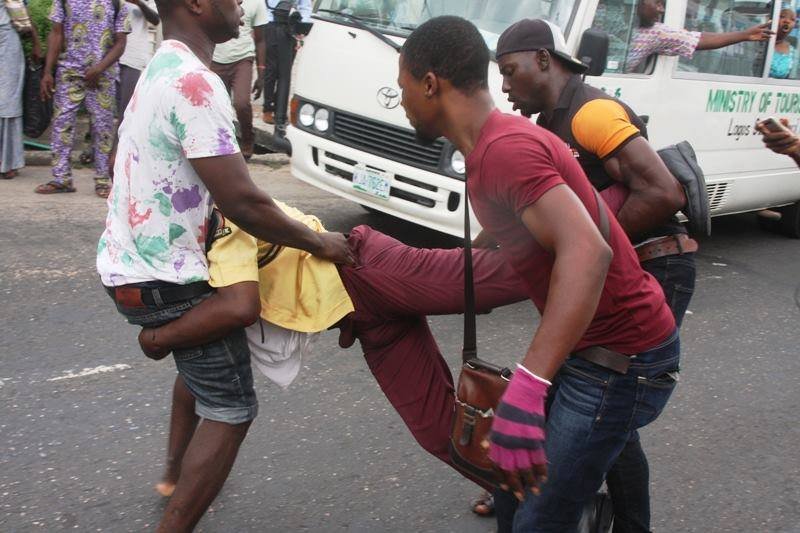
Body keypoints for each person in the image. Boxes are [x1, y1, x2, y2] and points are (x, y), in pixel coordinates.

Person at [399, 16, 680, 532]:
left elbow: (587, 253)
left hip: (620, 357)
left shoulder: (505, 150)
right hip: (590, 348)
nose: (403, 102)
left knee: (539, 517)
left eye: (403, 89)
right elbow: (521, 232)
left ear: (430, 84)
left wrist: (527, 388)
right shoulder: (497, 146)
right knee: (510, 488)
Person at [97, 0, 352, 530]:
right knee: (232, 406)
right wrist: (318, 242)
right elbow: (242, 201)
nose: (240, 5)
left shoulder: (161, 67)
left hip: (129, 265)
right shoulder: (195, 82)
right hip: (168, 280)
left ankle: (173, 471)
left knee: (202, 366)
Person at [134, 201, 528, 497]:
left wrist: (158, 339)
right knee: (437, 432)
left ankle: (583, 245)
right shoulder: (180, 236)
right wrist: (172, 470)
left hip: (369, 269)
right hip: (364, 319)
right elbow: (196, 377)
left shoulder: (219, 212)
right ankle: (525, 492)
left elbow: (240, 308)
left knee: (505, 278)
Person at [495, 18, 698, 532]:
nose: (504, 86)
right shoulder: (548, 127)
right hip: (623, 266)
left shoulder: (592, 112)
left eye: (509, 70)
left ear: (543, 59)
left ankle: (620, 519)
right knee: (596, 405)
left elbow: (663, 193)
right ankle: (536, 492)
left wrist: (584, 253)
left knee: (608, 403)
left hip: (658, 263)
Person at [36, 0, 131, 198]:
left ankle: (103, 180)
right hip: (69, 72)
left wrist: (99, 68)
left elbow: (120, 42)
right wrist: (47, 72)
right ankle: (61, 179)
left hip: (103, 76)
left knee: (103, 128)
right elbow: (56, 33)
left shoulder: (116, 3)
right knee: (61, 124)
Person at [624, 0, 772, 73]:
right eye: (657, 2)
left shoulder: (654, 32)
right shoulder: (608, 16)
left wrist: (744, 35)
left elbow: (698, 39)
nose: (661, 10)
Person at [211, 0, 268, 159]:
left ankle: (248, 139)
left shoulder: (257, 3)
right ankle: (222, 144)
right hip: (216, 59)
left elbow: (261, 40)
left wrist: (261, 74)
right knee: (218, 107)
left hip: (243, 58)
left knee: (241, 103)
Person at [0, 1, 42, 179]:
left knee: (8, 100)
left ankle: (7, 161)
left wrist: (36, 42)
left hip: (7, 39)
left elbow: (21, 12)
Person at [262, 0, 311, 128]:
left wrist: (300, 29)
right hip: (270, 25)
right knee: (271, 72)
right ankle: (268, 109)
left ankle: (280, 113)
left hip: (290, 28)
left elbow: (305, 7)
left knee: (284, 73)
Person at [119, 0, 160, 115]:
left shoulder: (149, 1)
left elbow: (155, 19)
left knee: (126, 109)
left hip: (132, 58)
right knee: (105, 107)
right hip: (109, 57)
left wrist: (139, 3)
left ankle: (121, 133)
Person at [770, 8, 797, 79]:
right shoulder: (759, 42)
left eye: (792, 19)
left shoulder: (794, 53)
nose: (787, 21)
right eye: (782, 16)